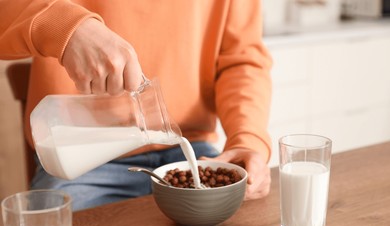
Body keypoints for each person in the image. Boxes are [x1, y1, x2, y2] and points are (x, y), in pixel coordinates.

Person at [0, 0, 273, 211]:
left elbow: (241, 60)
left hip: (192, 151)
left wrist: (247, 140)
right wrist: (63, 26)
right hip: (83, 161)